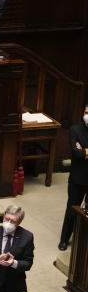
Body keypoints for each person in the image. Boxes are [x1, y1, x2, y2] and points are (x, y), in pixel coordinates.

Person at [59, 104, 88, 250]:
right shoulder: (75, 129)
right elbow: (77, 154)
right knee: (72, 208)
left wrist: (85, 150)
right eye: (85, 112)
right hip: (78, 178)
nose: (86, 115)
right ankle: (64, 239)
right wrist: (82, 152)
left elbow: (82, 152)